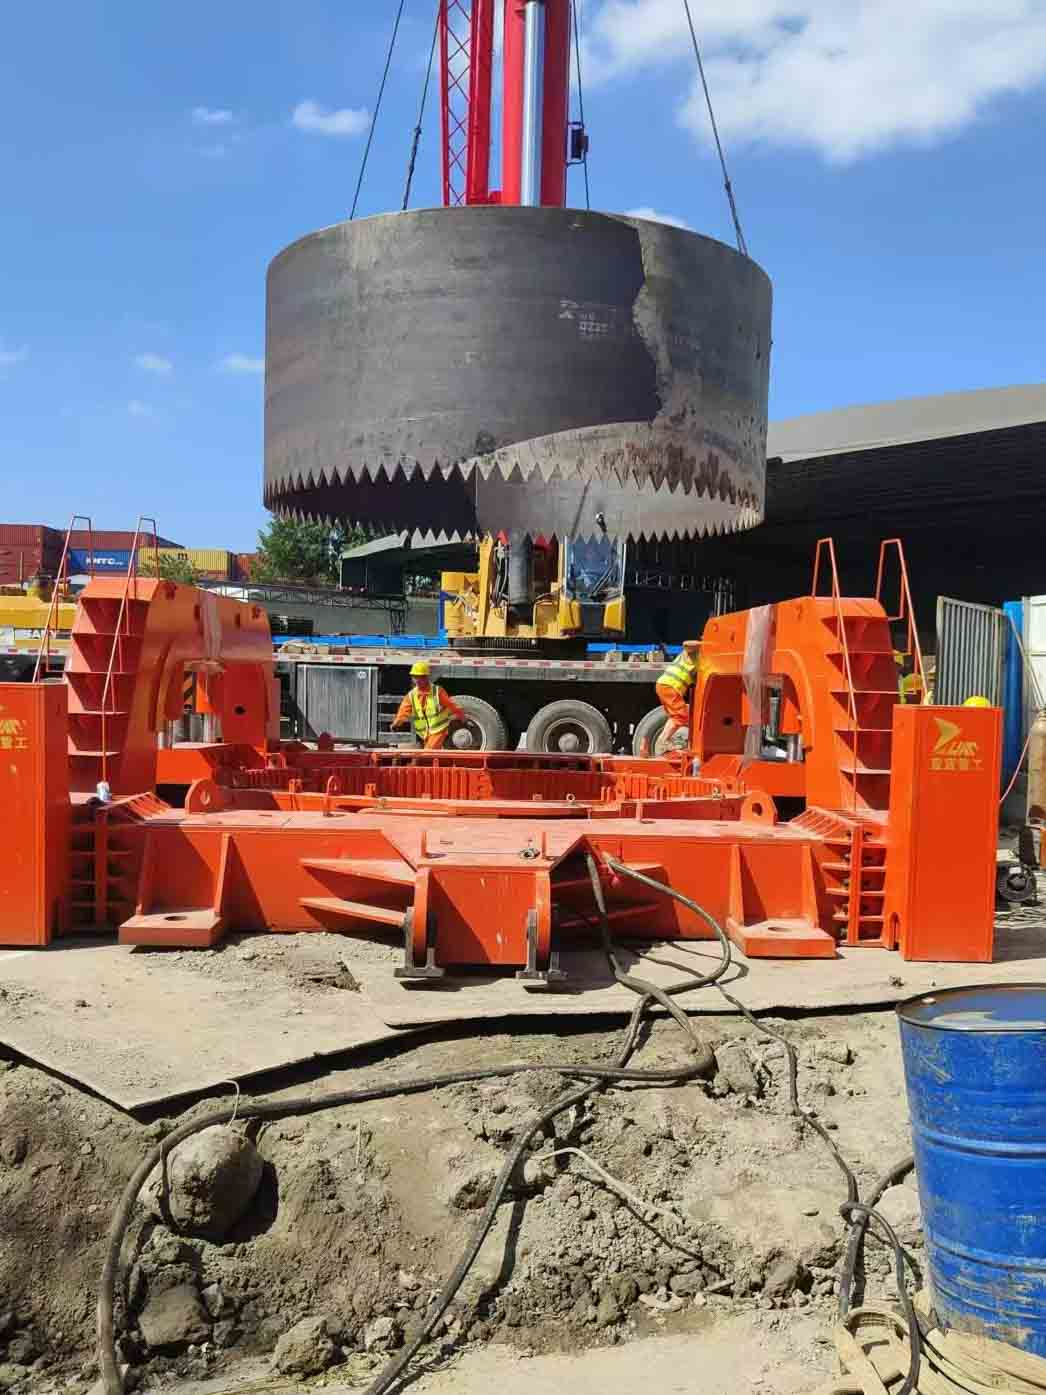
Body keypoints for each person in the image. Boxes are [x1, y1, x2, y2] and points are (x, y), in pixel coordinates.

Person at [392, 660, 465, 750]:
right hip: (426, 733)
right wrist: (396, 723)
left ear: (426, 677)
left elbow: (451, 705)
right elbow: (403, 711)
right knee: (432, 754)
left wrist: (461, 716)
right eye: (415, 677)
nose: (417, 680)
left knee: (428, 752)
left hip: (438, 729)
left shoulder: (437, 691)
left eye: (420, 677)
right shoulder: (411, 695)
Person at [654, 641, 700, 752]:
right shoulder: (691, 653)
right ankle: (663, 741)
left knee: (676, 716)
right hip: (669, 686)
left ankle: (664, 740)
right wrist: (707, 644)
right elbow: (687, 644)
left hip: (665, 686)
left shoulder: (698, 660)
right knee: (681, 716)